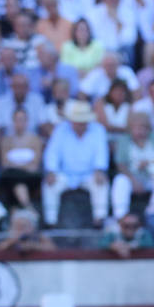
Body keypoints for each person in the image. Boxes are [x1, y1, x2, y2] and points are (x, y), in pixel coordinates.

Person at [41, 98, 109, 228]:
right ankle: (51, 222)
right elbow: (52, 153)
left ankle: (99, 220)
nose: (80, 124)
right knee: (49, 185)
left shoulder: (98, 130)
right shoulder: (60, 130)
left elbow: (102, 152)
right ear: (71, 120)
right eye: (77, 121)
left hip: (90, 174)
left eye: (83, 122)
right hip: (65, 174)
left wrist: (99, 169)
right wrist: (51, 171)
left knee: (102, 184)